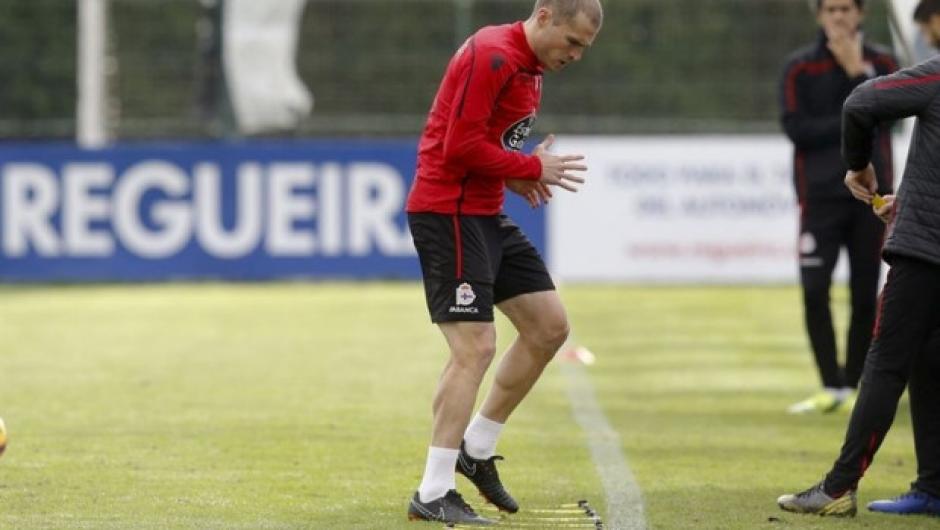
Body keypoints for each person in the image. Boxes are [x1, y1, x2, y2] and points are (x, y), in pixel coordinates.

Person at [403, 0, 603, 525]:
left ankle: (477, 449)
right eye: (573, 42)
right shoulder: (493, 55)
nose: (576, 55)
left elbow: (483, 146)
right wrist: (532, 163)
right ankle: (433, 491)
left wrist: (516, 173)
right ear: (544, 15)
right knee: (474, 348)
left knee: (549, 327)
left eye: (584, 48)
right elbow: (458, 147)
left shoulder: (530, 66)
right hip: (448, 210)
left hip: (485, 211)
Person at [777, 0, 940, 517]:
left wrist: (858, 167)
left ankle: (839, 486)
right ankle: (934, 487)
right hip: (919, 225)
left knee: (887, 360)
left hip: (926, 247)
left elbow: (861, 102)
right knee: (928, 361)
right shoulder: (803, 66)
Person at [779, 0, 899, 415]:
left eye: (847, 8)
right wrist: (852, 116)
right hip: (819, 199)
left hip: (871, 199)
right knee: (815, 290)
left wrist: (858, 76)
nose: (839, 17)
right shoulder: (799, 67)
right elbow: (797, 129)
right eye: (831, 9)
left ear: (861, 14)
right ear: (819, 16)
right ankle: (830, 385)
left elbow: (892, 118)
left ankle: (853, 386)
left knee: (866, 294)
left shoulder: (883, 61)